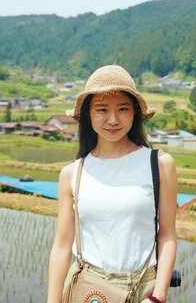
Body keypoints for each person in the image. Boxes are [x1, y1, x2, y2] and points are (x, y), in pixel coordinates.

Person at [47, 65, 177, 303]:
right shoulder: (72, 173)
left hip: (143, 289)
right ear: (88, 114)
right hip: (89, 290)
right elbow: (62, 246)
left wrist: (158, 296)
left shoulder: (159, 164)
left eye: (123, 108)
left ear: (135, 112)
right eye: (102, 109)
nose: (113, 119)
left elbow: (167, 235)